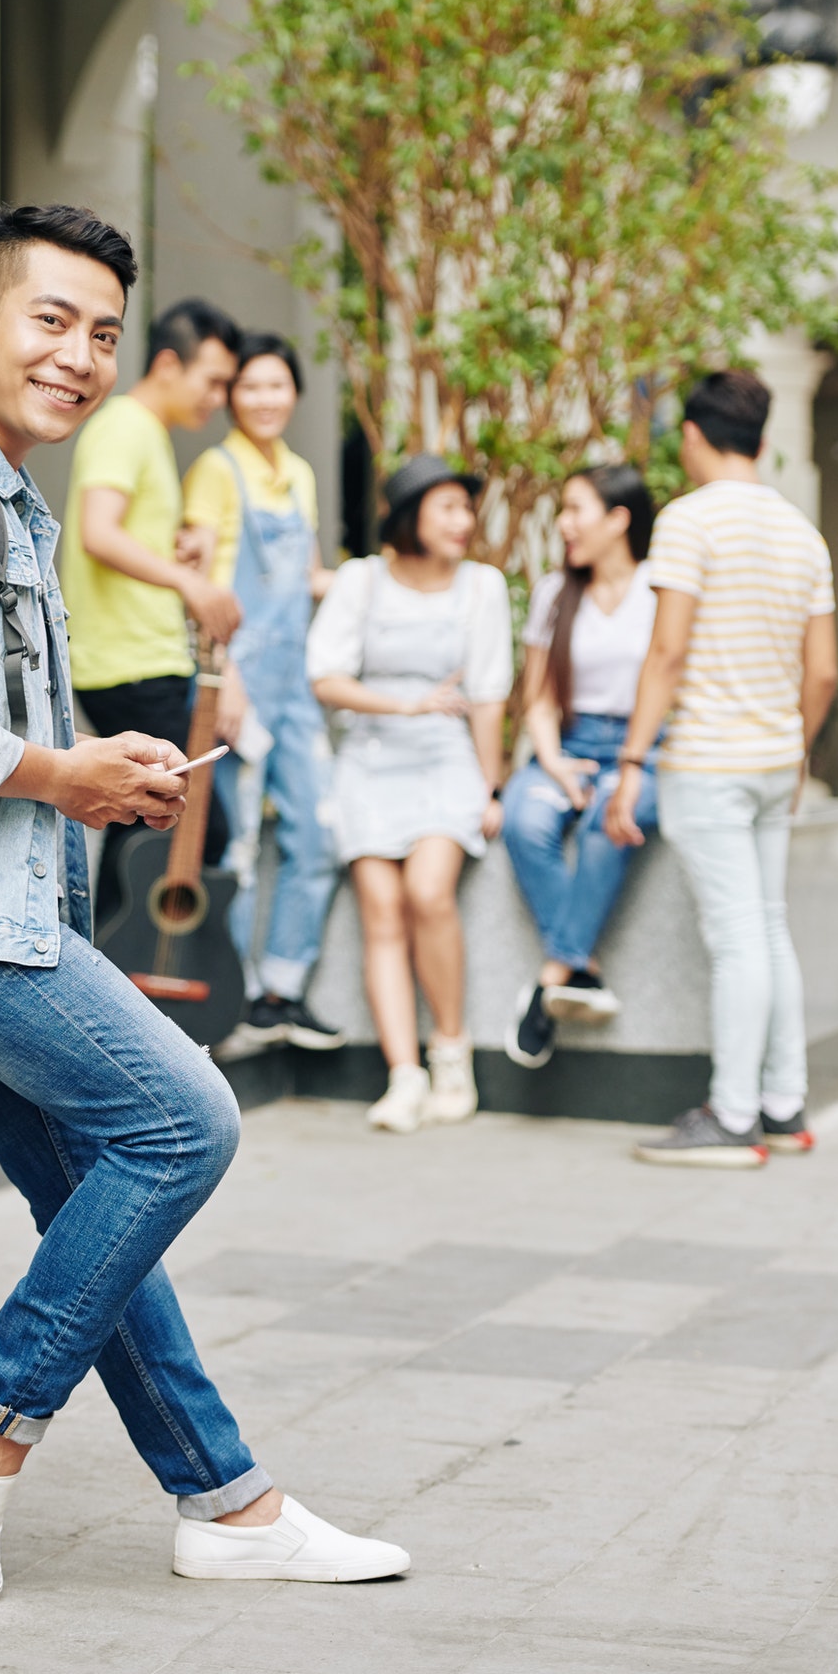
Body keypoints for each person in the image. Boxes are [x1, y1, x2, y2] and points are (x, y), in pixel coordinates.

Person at [0, 201, 410, 1602]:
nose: (77, 356)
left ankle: (226, 1504)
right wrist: (60, 773)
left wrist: (85, 770)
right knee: (183, 1123)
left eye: (102, 335)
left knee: (92, 1182)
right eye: (49, 320)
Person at [605, 370, 838, 1169]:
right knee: (768, 928)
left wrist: (632, 758)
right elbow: (823, 674)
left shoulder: (687, 522)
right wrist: (796, 745)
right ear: (764, 442)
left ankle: (733, 1117)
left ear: (692, 436)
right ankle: (783, 1104)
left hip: (706, 759)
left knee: (739, 936)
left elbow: (667, 652)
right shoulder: (801, 531)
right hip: (776, 760)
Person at [307, 454, 511, 1134]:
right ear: (409, 515)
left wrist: (489, 787)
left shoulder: (480, 587)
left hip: (444, 761)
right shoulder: (362, 582)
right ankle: (403, 1075)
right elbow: (326, 678)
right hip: (369, 760)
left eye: (465, 508)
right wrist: (402, 708)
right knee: (381, 909)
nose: (464, 521)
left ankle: (451, 1055)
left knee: (428, 892)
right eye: (448, 507)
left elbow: (486, 696)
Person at [181, 333, 345, 1058]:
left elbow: (309, 577)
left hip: (295, 686)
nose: (265, 400)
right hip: (236, 683)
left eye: (277, 386)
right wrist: (227, 679)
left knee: (317, 834)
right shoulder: (215, 471)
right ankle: (234, 998)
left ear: (295, 394)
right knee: (239, 845)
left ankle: (282, 989)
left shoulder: (302, 473)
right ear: (231, 396)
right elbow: (197, 593)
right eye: (250, 387)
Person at [60, 297, 243, 921]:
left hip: (143, 659)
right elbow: (98, 532)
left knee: (143, 824)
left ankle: (111, 970)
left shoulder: (148, 435)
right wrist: (191, 586)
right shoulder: (125, 426)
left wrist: (175, 553)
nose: (219, 398)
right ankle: (118, 973)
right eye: (212, 380)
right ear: (168, 363)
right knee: (188, 825)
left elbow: (125, 538)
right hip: (127, 663)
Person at [502, 465, 659, 1069]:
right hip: (572, 743)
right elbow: (538, 698)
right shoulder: (554, 592)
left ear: (619, 519)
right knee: (524, 818)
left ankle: (548, 982)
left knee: (608, 823)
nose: (564, 524)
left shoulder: (659, 590)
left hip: (641, 749)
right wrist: (553, 762)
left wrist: (630, 763)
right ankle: (581, 968)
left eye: (576, 510)